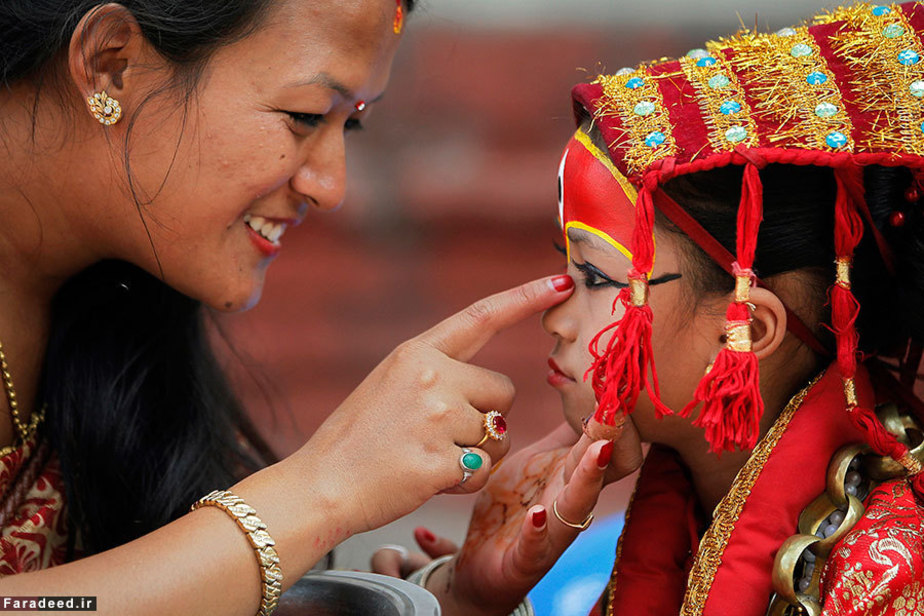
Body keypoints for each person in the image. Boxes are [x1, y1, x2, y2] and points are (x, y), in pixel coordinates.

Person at [0, 1, 606, 614]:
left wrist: (447, 600)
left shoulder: (119, 308)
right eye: (304, 115)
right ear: (111, 65)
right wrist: (320, 489)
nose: (331, 186)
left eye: (351, 125)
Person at [375, 2, 924, 614]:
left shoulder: (889, 574)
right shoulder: (687, 514)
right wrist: (464, 598)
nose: (554, 317)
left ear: (744, 327)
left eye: (592, 276)